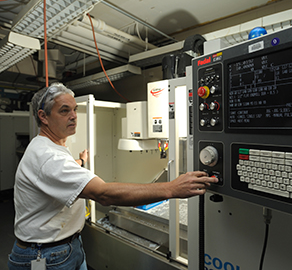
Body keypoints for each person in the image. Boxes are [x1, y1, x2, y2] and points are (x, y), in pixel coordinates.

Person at [8, 82, 217, 270]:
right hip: (47, 256)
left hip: (66, 247)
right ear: (43, 116)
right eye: (64, 111)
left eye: (75, 110)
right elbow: (103, 194)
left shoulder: (48, 147)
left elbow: (56, 175)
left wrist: (80, 162)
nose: (73, 116)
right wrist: (171, 188)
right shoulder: (47, 156)